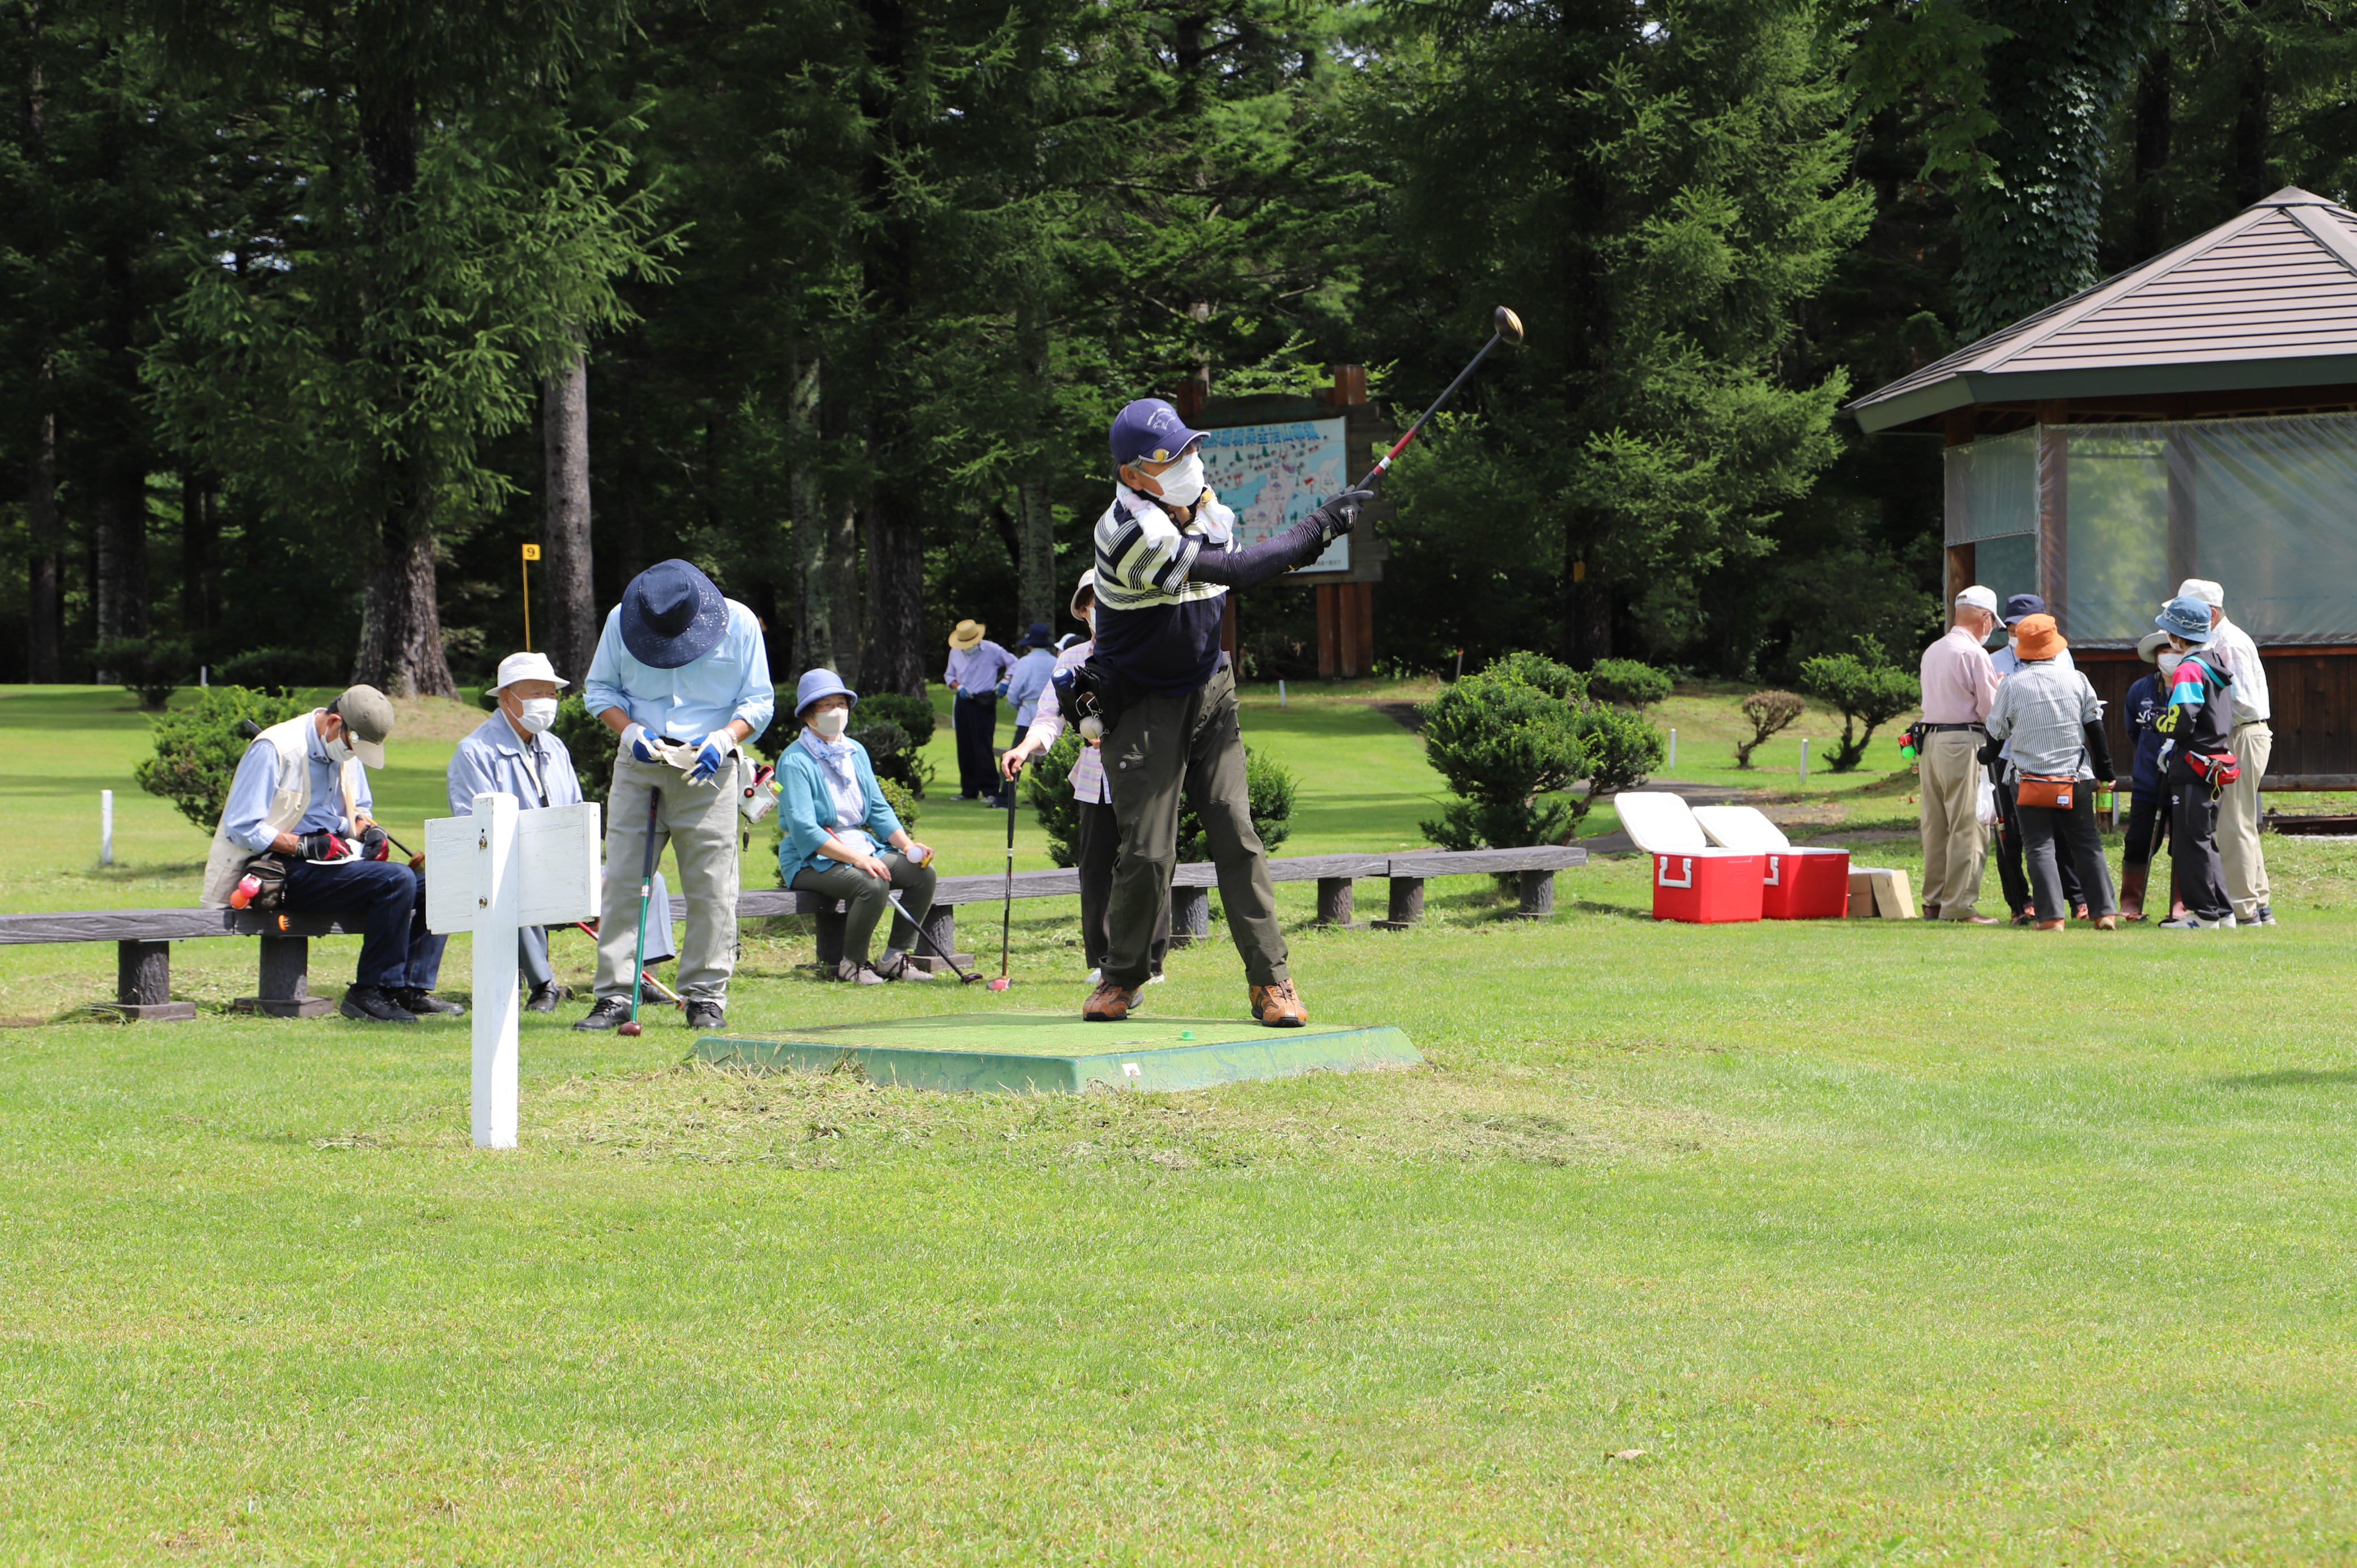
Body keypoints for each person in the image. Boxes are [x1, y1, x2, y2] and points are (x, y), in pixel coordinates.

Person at [1082, 396, 1368, 1025]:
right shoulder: (1127, 533)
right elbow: (1238, 570)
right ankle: (1121, 976)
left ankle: (1271, 981)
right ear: (1132, 474)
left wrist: (1317, 530)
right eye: (1171, 456)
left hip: (1210, 690)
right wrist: (1321, 523)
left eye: (1189, 447)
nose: (1190, 461)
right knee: (1149, 853)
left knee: (1237, 834)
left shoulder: (1203, 504)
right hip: (1143, 705)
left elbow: (1244, 556)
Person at [574, 559, 775, 1031]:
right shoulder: (619, 621)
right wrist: (629, 734)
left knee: (712, 888)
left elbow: (759, 701)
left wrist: (726, 738)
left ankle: (705, 996)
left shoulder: (740, 622)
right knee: (624, 881)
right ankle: (616, 995)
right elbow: (600, 689)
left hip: (709, 767)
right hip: (640, 763)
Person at [201, 684, 457, 1023]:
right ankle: (369, 992)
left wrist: (368, 831)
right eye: (353, 744)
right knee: (396, 879)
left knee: (437, 887)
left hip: (331, 862)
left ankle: (408, 990)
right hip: (278, 870)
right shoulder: (274, 748)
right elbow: (240, 826)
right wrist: (303, 844)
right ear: (335, 722)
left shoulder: (347, 750)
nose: (354, 754)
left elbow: (357, 811)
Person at [448, 650, 673, 1012]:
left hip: (566, 869)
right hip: (508, 869)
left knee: (646, 879)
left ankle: (637, 977)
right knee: (507, 883)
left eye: (552, 694)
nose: (548, 703)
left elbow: (575, 819)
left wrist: (585, 872)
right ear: (507, 697)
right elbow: (474, 831)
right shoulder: (474, 751)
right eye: (538, 693)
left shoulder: (555, 747)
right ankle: (543, 985)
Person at [1000, 571, 1171, 985]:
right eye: (1092, 602)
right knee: (1095, 872)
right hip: (1095, 781)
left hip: (1147, 778)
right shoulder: (1070, 659)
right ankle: (1101, 962)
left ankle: (1151, 960)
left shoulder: (1149, 652)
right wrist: (1024, 748)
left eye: (1109, 599)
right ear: (1082, 611)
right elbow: (1048, 718)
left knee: (1149, 864)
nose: (1100, 609)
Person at [777, 669, 940, 983]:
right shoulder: (794, 760)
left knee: (922, 872)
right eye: (826, 706)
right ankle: (853, 964)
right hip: (809, 858)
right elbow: (803, 829)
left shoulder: (856, 751)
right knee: (871, 882)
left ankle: (894, 958)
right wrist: (857, 859)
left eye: (842, 704)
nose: (837, 712)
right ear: (809, 717)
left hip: (861, 847)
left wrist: (908, 846)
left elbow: (878, 809)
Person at [1984, 615, 2118, 931]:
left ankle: (2051, 917)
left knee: (2039, 845)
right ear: (2056, 647)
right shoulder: (2077, 680)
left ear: (2022, 650)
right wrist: (2106, 771)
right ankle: (2105, 913)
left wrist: (1985, 755)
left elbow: (1996, 732)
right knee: (2087, 842)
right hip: (2075, 777)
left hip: (2029, 780)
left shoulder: (2012, 685)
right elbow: (2095, 728)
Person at [2177, 578, 2274, 926]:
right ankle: (2259, 905)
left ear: (2212, 614)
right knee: (2241, 820)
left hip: (2241, 734)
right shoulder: (2222, 640)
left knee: (2233, 823)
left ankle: (2243, 908)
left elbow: (2241, 702)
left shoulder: (2227, 642)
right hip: (2243, 734)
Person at [1986, 592, 2083, 924]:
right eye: (2011, 626)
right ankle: (2019, 903)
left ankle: (2077, 900)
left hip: (2054, 755)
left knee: (2062, 831)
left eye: (2023, 626)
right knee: (2010, 833)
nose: (2016, 632)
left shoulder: (2063, 656)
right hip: (2007, 756)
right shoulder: (1995, 661)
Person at [2152, 594, 2239, 931]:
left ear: (2176, 636)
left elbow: (2183, 720)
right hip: (2215, 763)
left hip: (2193, 764)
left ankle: (2204, 916)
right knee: (2205, 839)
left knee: (2190, 842)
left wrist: (2158, 721)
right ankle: (2223, 913)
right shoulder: (2213, 662)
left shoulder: (2189, 668)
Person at [1916, 585, 2002, 923]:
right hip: (1963, 741)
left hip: (1931, 742)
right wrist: (1999, 685)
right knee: (1969, 823)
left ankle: (1934, 902)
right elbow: (1990, 710)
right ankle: (1960, 906)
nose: (1992, 629)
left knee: (1936, 824)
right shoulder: (1974, 654)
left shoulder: (1933, 650)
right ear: (1984, 618)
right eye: (1992, 622)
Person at [2118, 630, 2184, 923]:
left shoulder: (2192, 685)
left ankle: (2181, 905)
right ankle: (2131, 903)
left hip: (2184, 780)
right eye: (2163, 652)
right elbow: (2134, 733)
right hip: (2147, 782)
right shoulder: (2140, 690)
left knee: (2184, 842)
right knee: (2139, 840)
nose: (2168, 657)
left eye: (2173, 650)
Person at [944, 619, 1015, 801]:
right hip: (964, 700)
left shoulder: (992, 650)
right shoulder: (955, 652)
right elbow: (949, 675)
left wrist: (1006, 681)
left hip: (984, 700)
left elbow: (1015, 663)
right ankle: (968, 790)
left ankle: (990, 790)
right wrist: (958, 687)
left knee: (983, 745)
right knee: (964, 745)